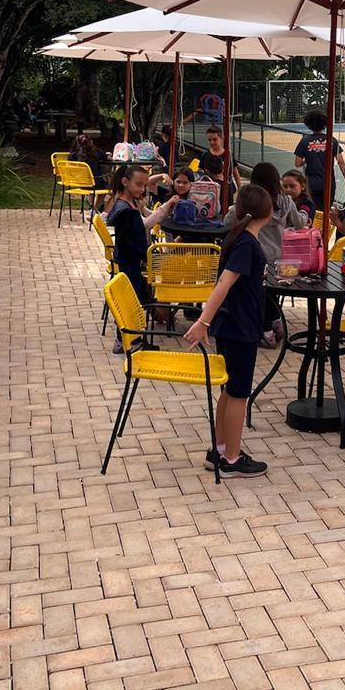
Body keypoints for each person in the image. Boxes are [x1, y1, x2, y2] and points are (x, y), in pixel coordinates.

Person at [185, 184, 272, 479]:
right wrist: (203, 321)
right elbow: (224, 282)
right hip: (238, 328)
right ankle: (232, 459)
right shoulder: (246, 243)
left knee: (229, 389)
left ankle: (220, 450)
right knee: (238, 394)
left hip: (235, 325)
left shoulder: (240, 237)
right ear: (267, 212)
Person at [227, 162, 307, 347]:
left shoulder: (251, 200)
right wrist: (304, 215)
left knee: (258, 294)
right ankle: (276, 323)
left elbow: (228, 222)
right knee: (272, 292)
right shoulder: (286, 201)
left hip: (256, 255)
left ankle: (266, 332)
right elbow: (300, 224)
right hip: (281, 258)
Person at [107, 164, 180, 352]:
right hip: (130, 262)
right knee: (132, 301)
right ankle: (127, 341)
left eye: (144, 185)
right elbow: (133, 238)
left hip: (133, 260)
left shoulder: (132, 204)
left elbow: (144, 222)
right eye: (138, 184)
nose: (142, 189)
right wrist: (147, 257)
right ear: (125, 182)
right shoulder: (125, 210)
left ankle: (133, 339)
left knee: (136, 300)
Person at [294, 108, 345, 214]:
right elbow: (341, 162)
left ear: (309, 125)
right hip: (328, 183)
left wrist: (307, 159)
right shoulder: (332, 140)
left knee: (313, 211)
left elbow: (297, 163)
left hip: (311, 184)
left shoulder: (305, 141)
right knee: (326, 211)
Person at [198, 126, 242, 196]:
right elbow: (200, 173)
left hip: (227, 189)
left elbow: (235, 173)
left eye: (215, 139)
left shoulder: (228, 155)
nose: (212, 142)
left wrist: (240, 189)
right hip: (210, 191)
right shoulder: (205, 156)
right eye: (209, 140)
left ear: (222, 138)